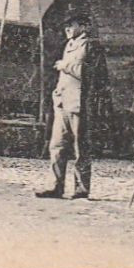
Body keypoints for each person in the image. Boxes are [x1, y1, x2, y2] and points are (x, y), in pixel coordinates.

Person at [36, 12, 106, 200]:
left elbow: (92, 73)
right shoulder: (69, 45)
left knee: (80, 147)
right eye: (66, 26)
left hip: (80, 104)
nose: (67, 29)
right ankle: (55, 186)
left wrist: (65, 66)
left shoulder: (91, 46)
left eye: (71, 25)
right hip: (62, 103)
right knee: (57, 145)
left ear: (84, 27)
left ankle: (82, 188)